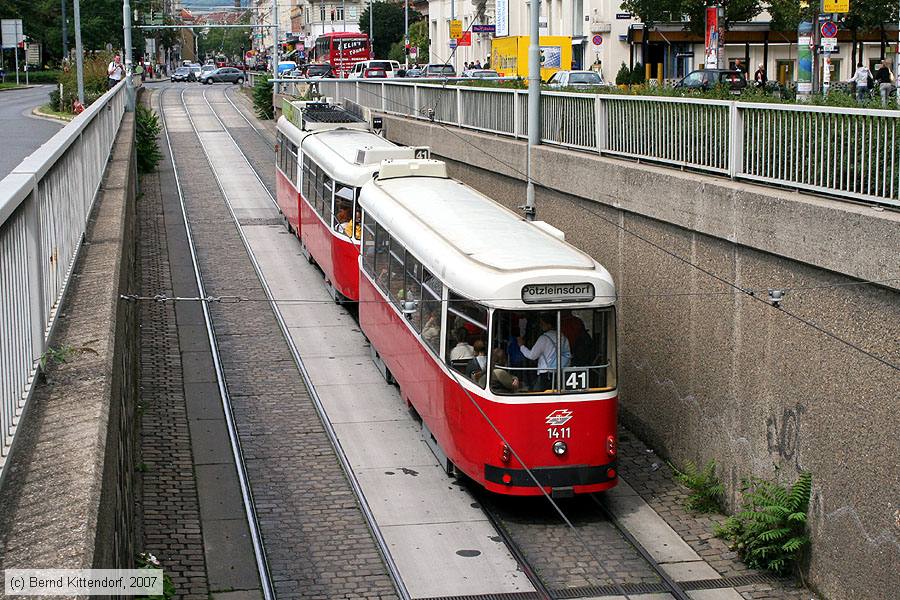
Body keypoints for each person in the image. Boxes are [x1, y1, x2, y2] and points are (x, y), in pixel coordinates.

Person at [518, 313, 571, 391]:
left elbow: (532, 356)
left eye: (542, 323)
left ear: (549, 325)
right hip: (562, 371)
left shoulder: (544, 338)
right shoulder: (564, 337)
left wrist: (521, 346)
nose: (540, 325)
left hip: (546, 373)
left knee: (540, 394)